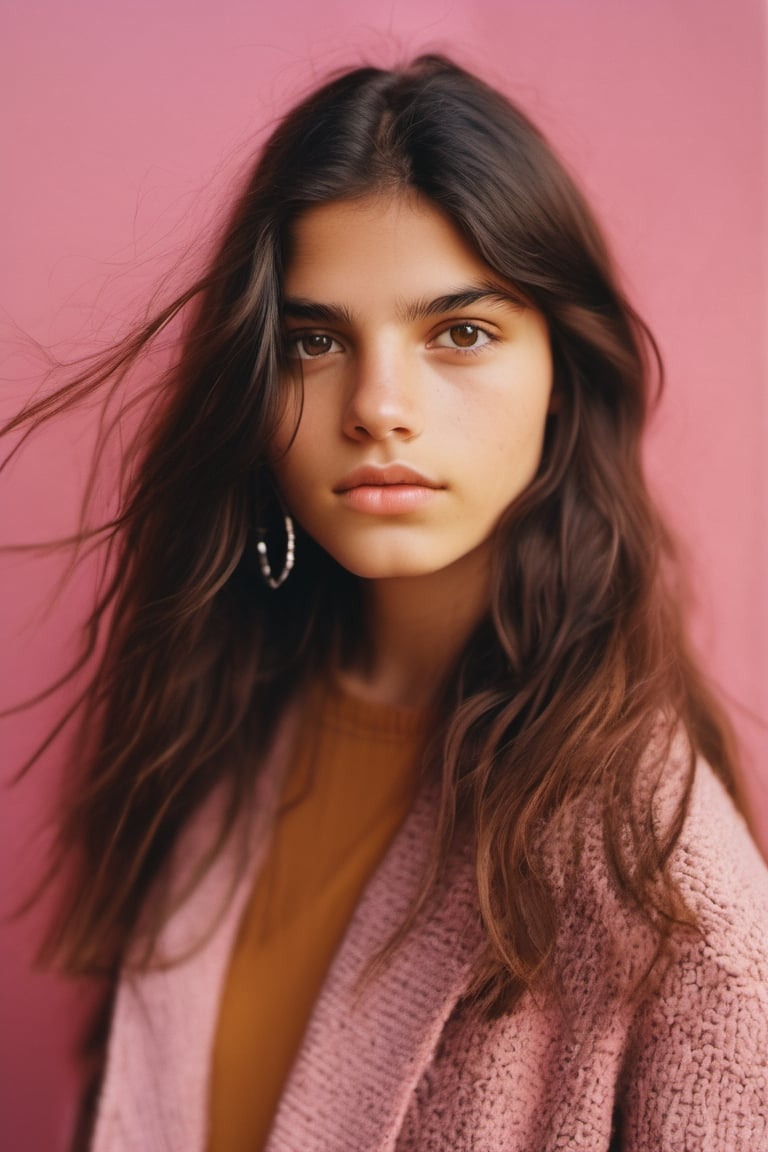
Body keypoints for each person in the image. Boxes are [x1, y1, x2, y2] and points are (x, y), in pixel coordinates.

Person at [5, 54, 768, 1152]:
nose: (377, 408)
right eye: (316, 341)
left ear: (566, 374)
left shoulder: (663, 895)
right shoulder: (217, 732)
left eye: (459, 333)